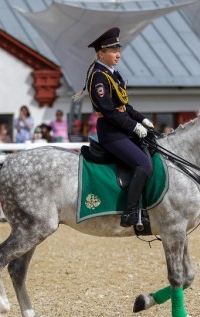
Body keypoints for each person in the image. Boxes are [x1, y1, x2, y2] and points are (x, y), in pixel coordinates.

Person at [73, 27, 154, 227]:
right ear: (101, 53)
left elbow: (124, 106)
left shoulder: (114, 74)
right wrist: (134, 126)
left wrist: (142, 120)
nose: (118, 54)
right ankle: (130, 213)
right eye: (113, 50)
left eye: (119, 50)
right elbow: (109, 111)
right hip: (111, 133)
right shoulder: (99, 77)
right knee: (143, 165)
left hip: (121, 129)